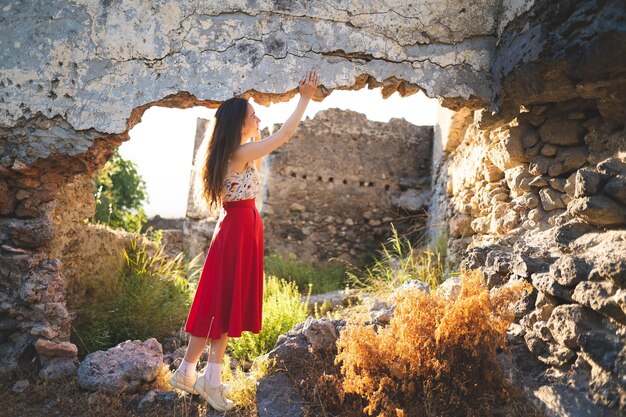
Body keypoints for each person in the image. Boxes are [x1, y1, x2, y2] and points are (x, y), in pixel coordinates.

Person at [169, 68, 320, 411]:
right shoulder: (239, 154)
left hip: (238, 226)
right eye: (254, 115)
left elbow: (268, 133)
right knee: (223, 303)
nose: (259, 117)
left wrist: (250, 109)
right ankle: (209, 379)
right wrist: (304, 98)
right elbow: (283, 134)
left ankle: (191, 372)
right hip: (238, 229)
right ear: (240, 123)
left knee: (221, 302)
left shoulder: (236, 151)